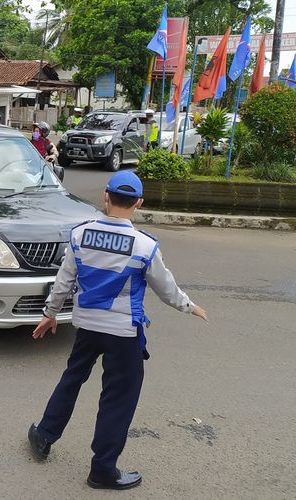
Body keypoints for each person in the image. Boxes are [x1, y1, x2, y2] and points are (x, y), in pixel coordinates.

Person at [28, 171, 208, 491]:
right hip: (123, 333)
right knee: (118, 398)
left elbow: (64, 281)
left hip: (86, 326)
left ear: (106, 198)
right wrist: (188, 306)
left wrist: (50, 314)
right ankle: (103, 470)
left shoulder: (80, 234)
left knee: (72, 378)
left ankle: (44, 434)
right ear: (138, 203)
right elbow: (166, 288)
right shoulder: (144, 246)